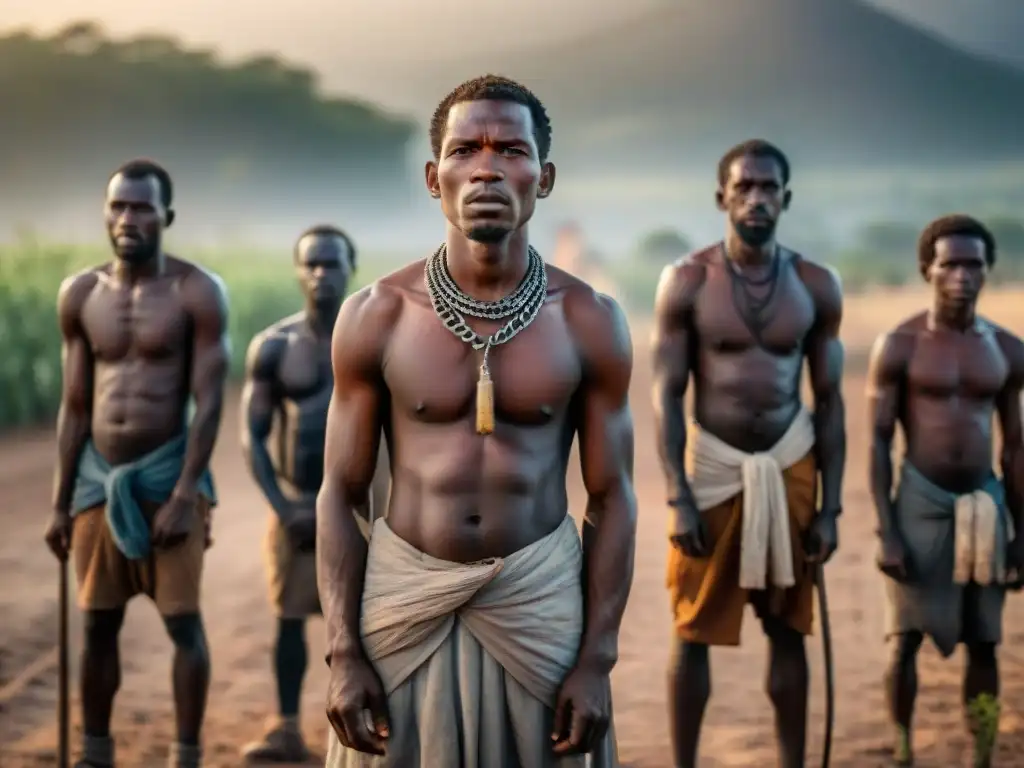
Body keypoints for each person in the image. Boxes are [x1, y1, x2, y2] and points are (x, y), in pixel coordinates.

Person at [318, 74, 635, 767]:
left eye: (510, 149)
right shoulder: (377, 314)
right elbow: (340, 495)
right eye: (465, 150)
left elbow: (612, 498)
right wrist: (343, 650)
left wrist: (596, 661)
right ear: (435, 178)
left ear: (543, 177)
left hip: (539, 604)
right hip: (404, 600)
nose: (487, 167)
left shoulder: (588, 320)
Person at [652, 139, 845, 768]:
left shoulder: (816, 284)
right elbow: (666, 394)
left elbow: (832, 401)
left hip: (790, 463)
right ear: (722, 198)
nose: (757, 199)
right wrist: (678, 496)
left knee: (789, 627)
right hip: (712, 469)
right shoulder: (687, 280)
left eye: (768, 189)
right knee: (692, 626)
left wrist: (832, 508)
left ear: (786, 199)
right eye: (745, 188)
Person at [42, 159, 229, 768]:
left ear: (166, 217)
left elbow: (208, 404)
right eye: (118, 206)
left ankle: (186, 754)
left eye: (142, 207)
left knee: (182, 626)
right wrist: (60, 502)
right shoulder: (80, 294)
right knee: (96, 625)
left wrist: (182, 496)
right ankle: (95, 752)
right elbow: (74, 408)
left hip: (168, 473)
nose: (128, 218)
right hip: (99, 480)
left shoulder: (195, 292)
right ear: (105, 213)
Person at [867, 214, 1024, 768]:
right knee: (904, 638)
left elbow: (1015, 448)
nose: (962, 275)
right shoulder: (900, 345)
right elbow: (879, 443)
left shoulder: (1007, 348)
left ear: (988, 271)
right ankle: (905, 746)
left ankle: (982, 750)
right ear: (926, 269)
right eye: (950, 264)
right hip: (919, 503)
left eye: (973, 264)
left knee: (985, 640)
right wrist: (886, 531)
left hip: (986, 504)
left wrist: (1022, 531)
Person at [239, 225, 390, 762]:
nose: (322, 274)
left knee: (371, 621)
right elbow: (251, 437)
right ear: (298, 271)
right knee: (289, 618)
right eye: (312, 264)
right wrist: (284, 510)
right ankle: (285, 726)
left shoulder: (378, 339)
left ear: (351, 266)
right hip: (298, 504)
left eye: (332, 264)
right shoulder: (275, 348)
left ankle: (376, 728)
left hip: (368, 506)